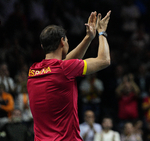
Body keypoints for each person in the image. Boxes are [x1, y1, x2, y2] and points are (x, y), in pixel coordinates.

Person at [27, 11, 111, 140]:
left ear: (43, 46)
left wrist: (88, 38)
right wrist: (101, 32)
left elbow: (63, 65)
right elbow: (104, 60)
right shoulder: (64, 69)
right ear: (62, 41)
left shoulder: (33, 71)